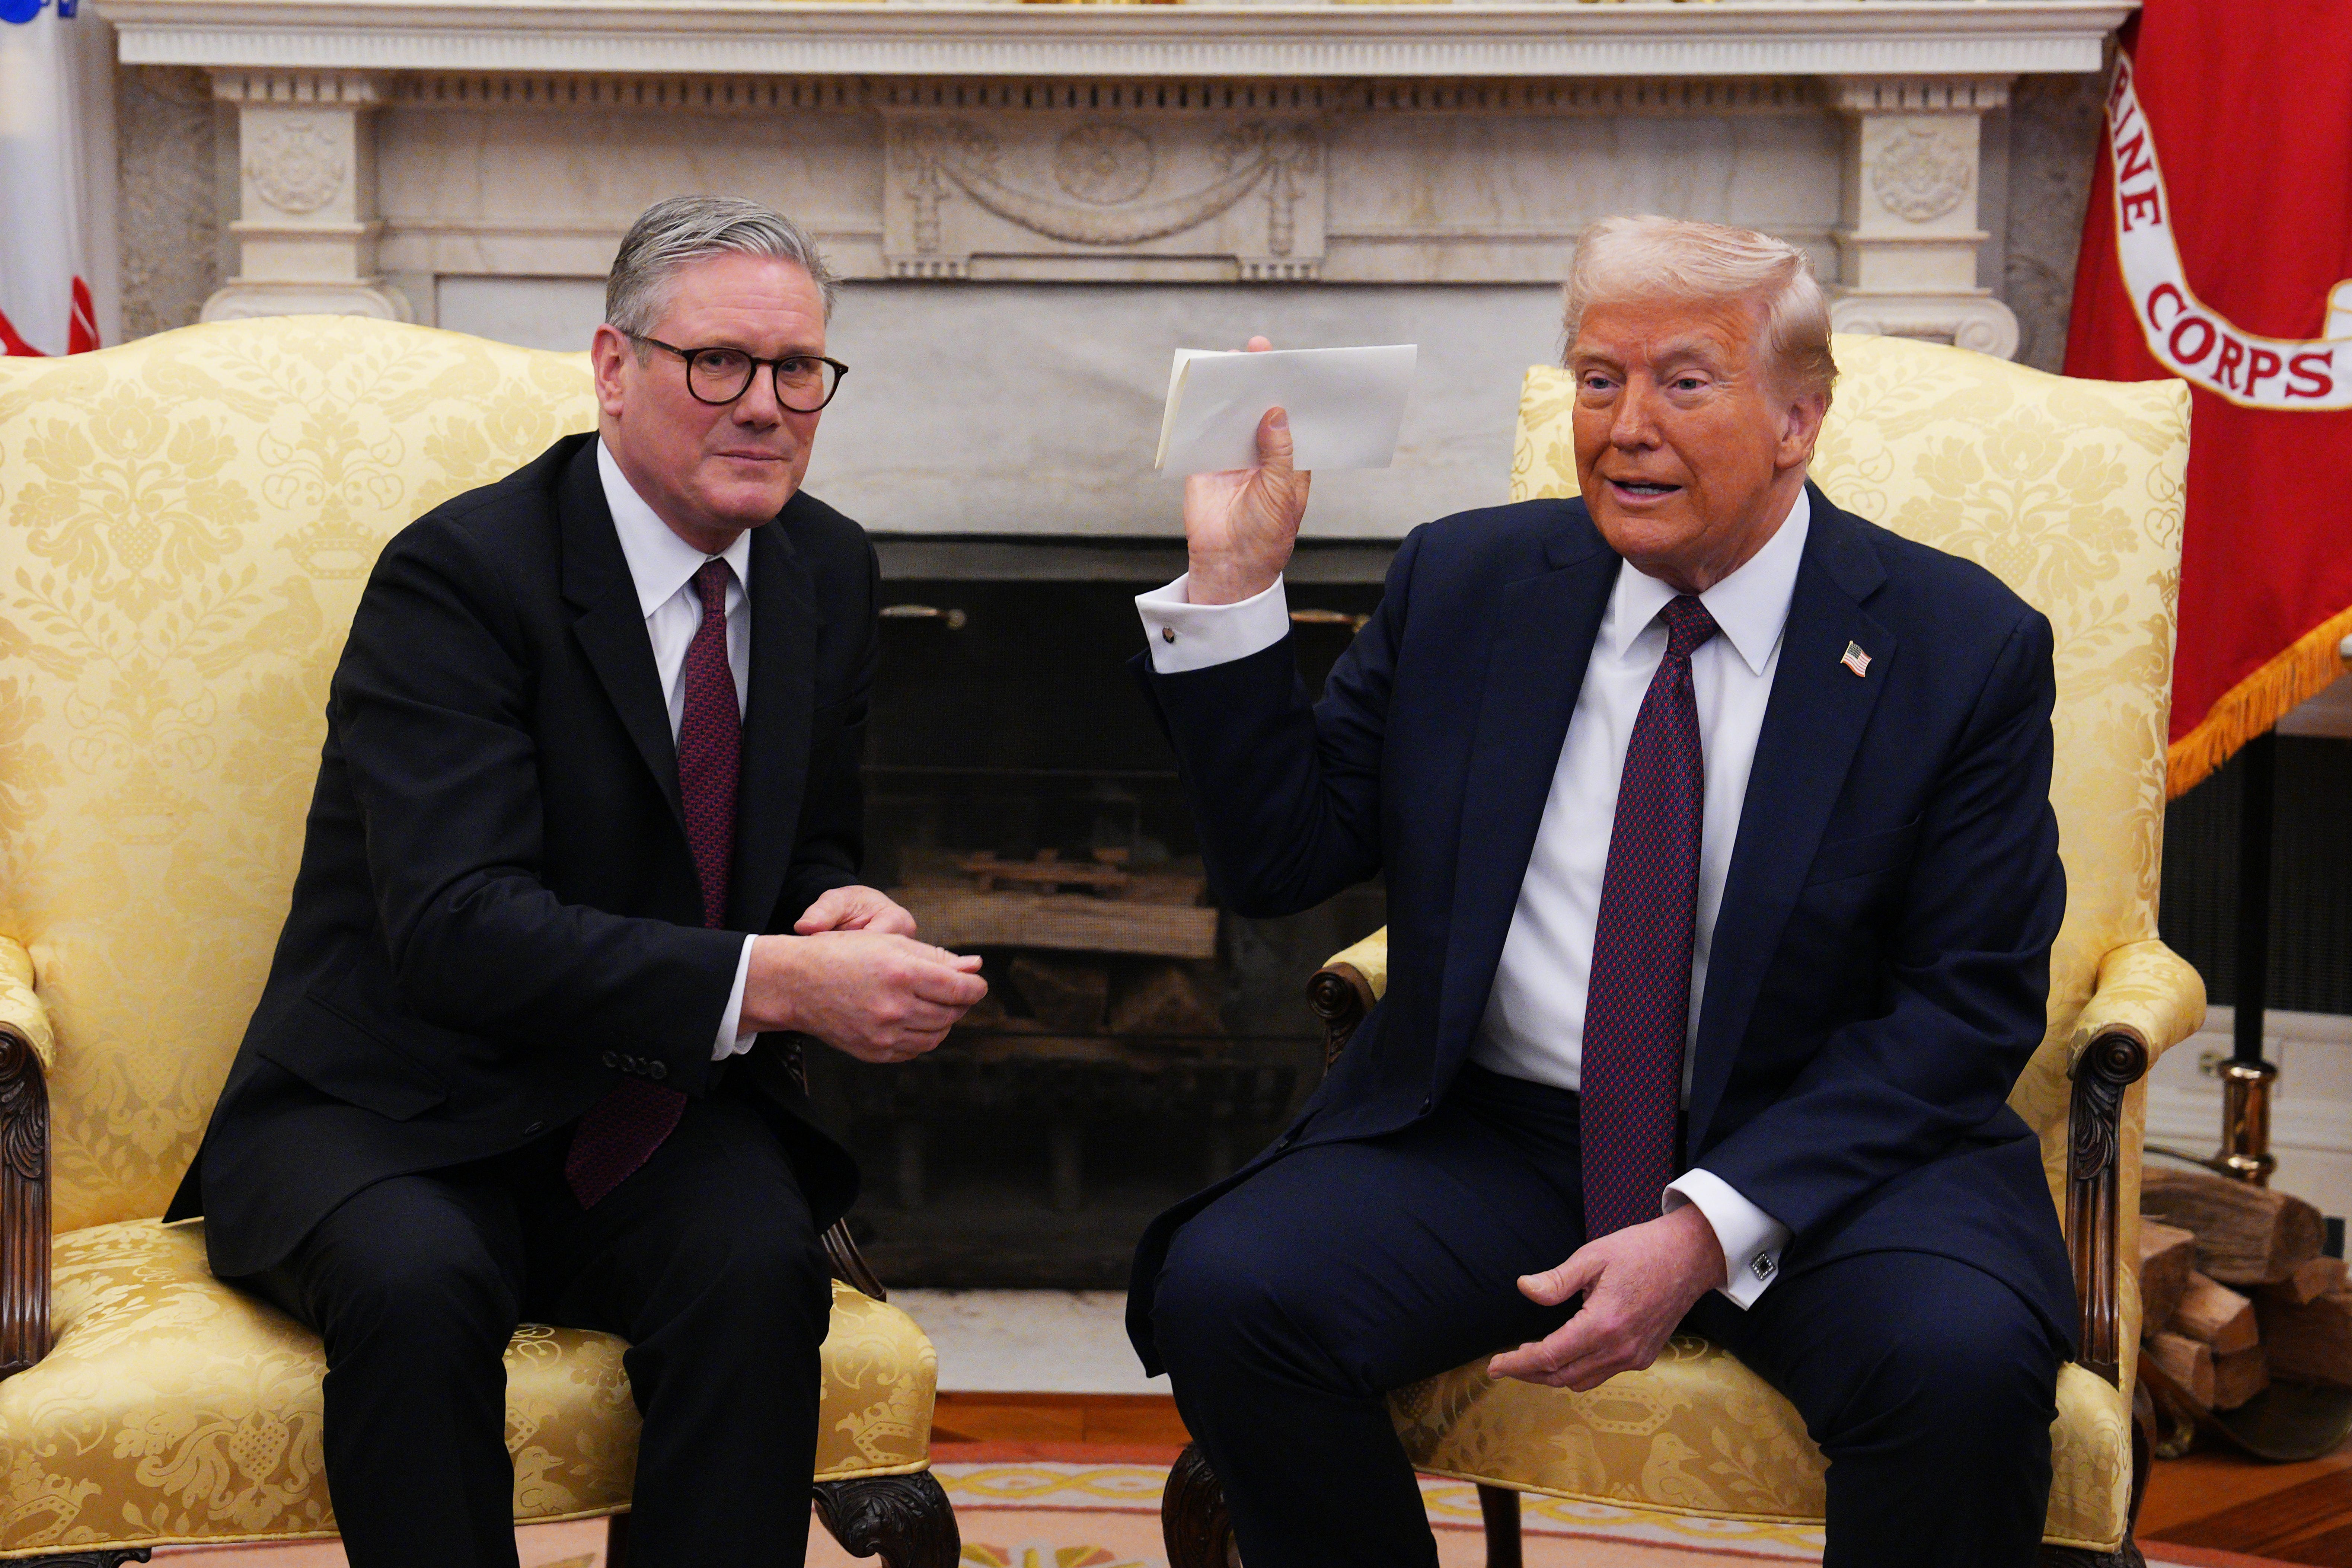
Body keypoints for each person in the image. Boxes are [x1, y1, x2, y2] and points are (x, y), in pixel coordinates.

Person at [1127, 214, 2075, 1567]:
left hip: (1831, 1156)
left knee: (1958, 1369)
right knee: (1233, 1295)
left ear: (1798, 419)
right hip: (1507, 1135)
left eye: (1683, 383)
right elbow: (1284, 860)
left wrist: (1704, 1226)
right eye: (1596, 380)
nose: (1626, 427)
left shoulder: (1956, 647)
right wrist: (1231, 592)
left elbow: (1965, 1010)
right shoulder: (1469, 581)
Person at [164, 195, 989, 1568]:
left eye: (799, 371)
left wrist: (839, 907)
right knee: (418, 1290)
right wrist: (780, 979)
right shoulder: (462, 577)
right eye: (716, 362)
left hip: (647, 1101)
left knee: (757, 1270)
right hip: (400, 1101)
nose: (766, 406)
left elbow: (804, 848)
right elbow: (454, 931)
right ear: (614, 369)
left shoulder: (825, 568)